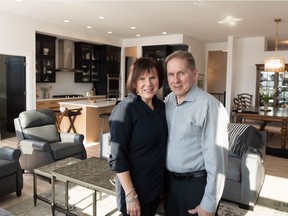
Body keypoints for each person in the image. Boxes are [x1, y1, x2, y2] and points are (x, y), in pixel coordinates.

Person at [163, 50, 229, 216]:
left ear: (194, 74)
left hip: (195, 187)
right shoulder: (167, 101)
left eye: (181, 73)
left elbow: (217, 160)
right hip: (169, 185)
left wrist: (209, 202)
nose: (175, 80)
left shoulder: (210, 106)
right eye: (171, 74)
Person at [108, 57, 168, 216]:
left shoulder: (161, 107)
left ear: (159, 80)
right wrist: (130, 195)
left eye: (152, 77)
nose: (148, 83)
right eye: (142, 78)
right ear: (134, 82)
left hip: (155, 188)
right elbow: (117, 157)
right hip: (134, 191)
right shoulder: (125, 109)